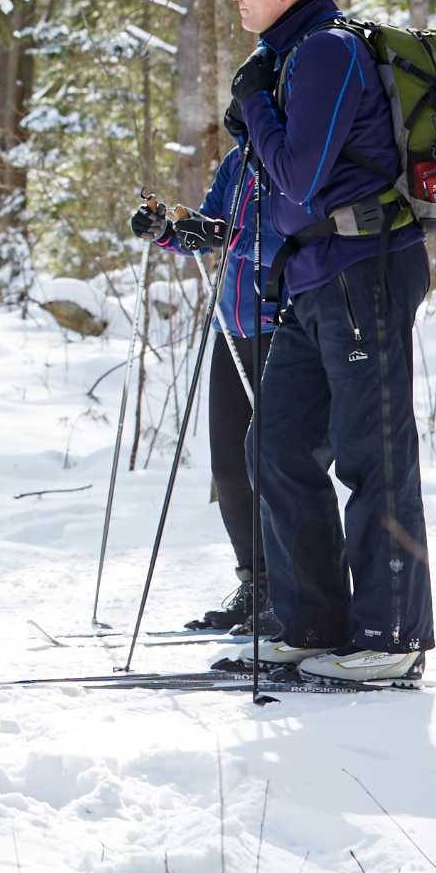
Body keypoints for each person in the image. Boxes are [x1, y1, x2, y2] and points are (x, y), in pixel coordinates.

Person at [226, 0, 434, 683]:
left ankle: (389, 636)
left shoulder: (326, 52)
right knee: (276, 444)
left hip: (363, 269)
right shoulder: (286, 59)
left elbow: (302, 176)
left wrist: (255, 111)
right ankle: (314, 624)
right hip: (314, 277)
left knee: (371, 452)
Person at [128, 128, 281, 633]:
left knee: (278, 465)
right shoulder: (237, 162)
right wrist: (168, 231)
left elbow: (291, 234)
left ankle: (293, 588)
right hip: (232, 327)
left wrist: (226, 235)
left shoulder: (294, 160)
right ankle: (256, 583)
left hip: (284, 327)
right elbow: (210, 227)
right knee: (229, 467)